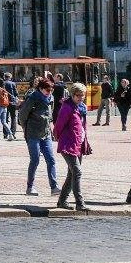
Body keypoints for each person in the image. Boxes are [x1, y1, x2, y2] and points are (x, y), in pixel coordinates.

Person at [18, 78, 60, 197]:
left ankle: (54, 187)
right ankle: (30, 187)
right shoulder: (33, 98)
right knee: (35, 160)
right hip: (33, 134)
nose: (50, 92)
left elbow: (49, 116)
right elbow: (22, 115)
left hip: (45, 133)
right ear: (40, 89)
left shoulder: (50, 98)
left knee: (51, 159)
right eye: (47, 90)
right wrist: (25, 128)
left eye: (51, 90)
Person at [54, 83, 91, 212]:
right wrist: (60, 139)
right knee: (77, 172)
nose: (81, 98)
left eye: (83, 95)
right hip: (68, 145)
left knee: (72, 174)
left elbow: (82, 126)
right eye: (78, 95)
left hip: (79, 144)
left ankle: (62, 201)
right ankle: (79, 203)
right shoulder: (67, 107)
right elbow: (58, 126)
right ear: (72, 95)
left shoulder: (81, 108)